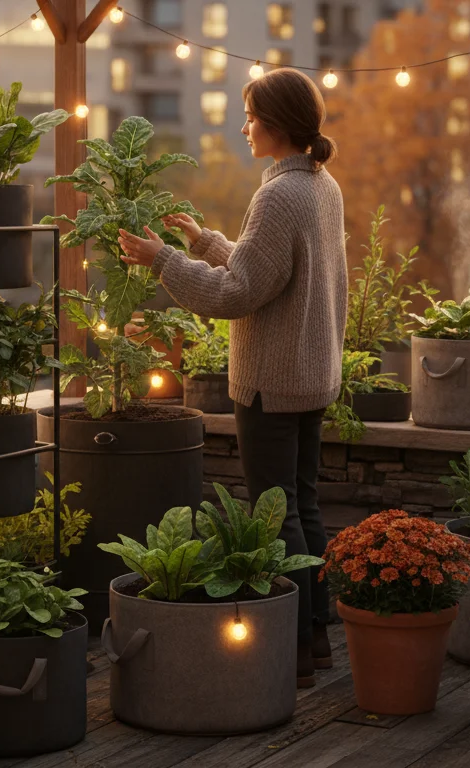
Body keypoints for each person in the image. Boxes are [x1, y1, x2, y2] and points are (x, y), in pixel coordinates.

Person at [117, 67, 347, 688]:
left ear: (275, 125)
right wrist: (205, 239)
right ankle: (318, 639)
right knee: (305, 503)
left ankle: (291, 649)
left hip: (271, 382)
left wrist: (163, 258)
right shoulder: (322, 187)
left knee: (279, 517)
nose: (243, 128)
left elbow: (239, 292)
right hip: (311, 374)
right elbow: (266, 265)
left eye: (250, 117)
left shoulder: (277, 196)